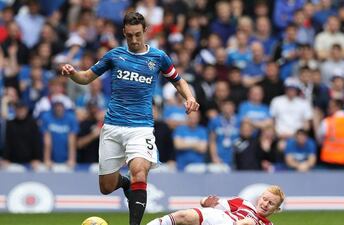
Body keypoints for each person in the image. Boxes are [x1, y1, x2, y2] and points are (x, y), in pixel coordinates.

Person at [60, 12, 199, 225]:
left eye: (138, 35)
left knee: (139, 172)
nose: (134, 40)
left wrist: (189, 97)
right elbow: (86, 77)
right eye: (130, 35)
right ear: (124, 32)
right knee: (106, 187)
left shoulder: (158, 57)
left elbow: (178, 81)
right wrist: (72, 73)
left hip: (140, 127)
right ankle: (124, 184)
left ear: (146, 31)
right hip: (113, 126)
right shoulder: (114, 56)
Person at [146, 185, 285, 225]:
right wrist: (205, 202)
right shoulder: (244, 203)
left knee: (248, 223)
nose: (265, 204)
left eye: (271, 203)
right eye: (265, 199)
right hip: (220, 219)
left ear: (277, 209)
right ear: (259, 197)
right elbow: (213, 203)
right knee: (182, 215)